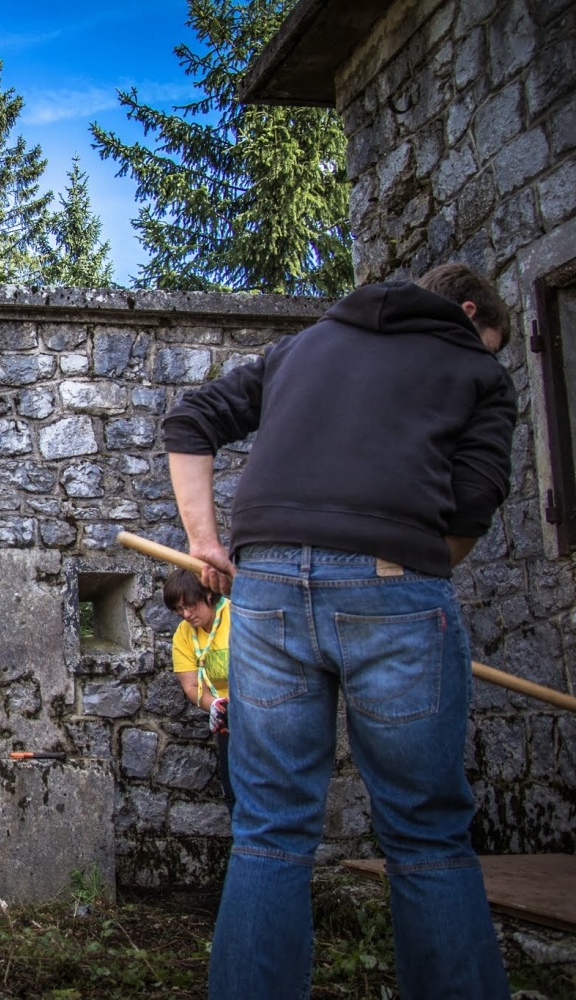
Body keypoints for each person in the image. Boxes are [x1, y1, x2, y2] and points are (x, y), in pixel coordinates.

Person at [162, 262, 515, 999]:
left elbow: (191, 418)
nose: (492, 355)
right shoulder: (473, 368)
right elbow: (472, 508)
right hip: (394, 585)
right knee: (425, 833)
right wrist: (396, 572)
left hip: (264, 592)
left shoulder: (302, 347)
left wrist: (207, 544)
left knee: (268, 828)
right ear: (470, 311)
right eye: (493, 341)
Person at [162, 568, 234, 812]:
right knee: (233, 792)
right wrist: (215, 705)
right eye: (179, 610)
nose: (186, 614)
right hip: (228, 719)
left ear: (209, 595)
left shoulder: (238, 615)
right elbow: (191, 686)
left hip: (262, 714)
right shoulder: (183, 634)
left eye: (190, 605)